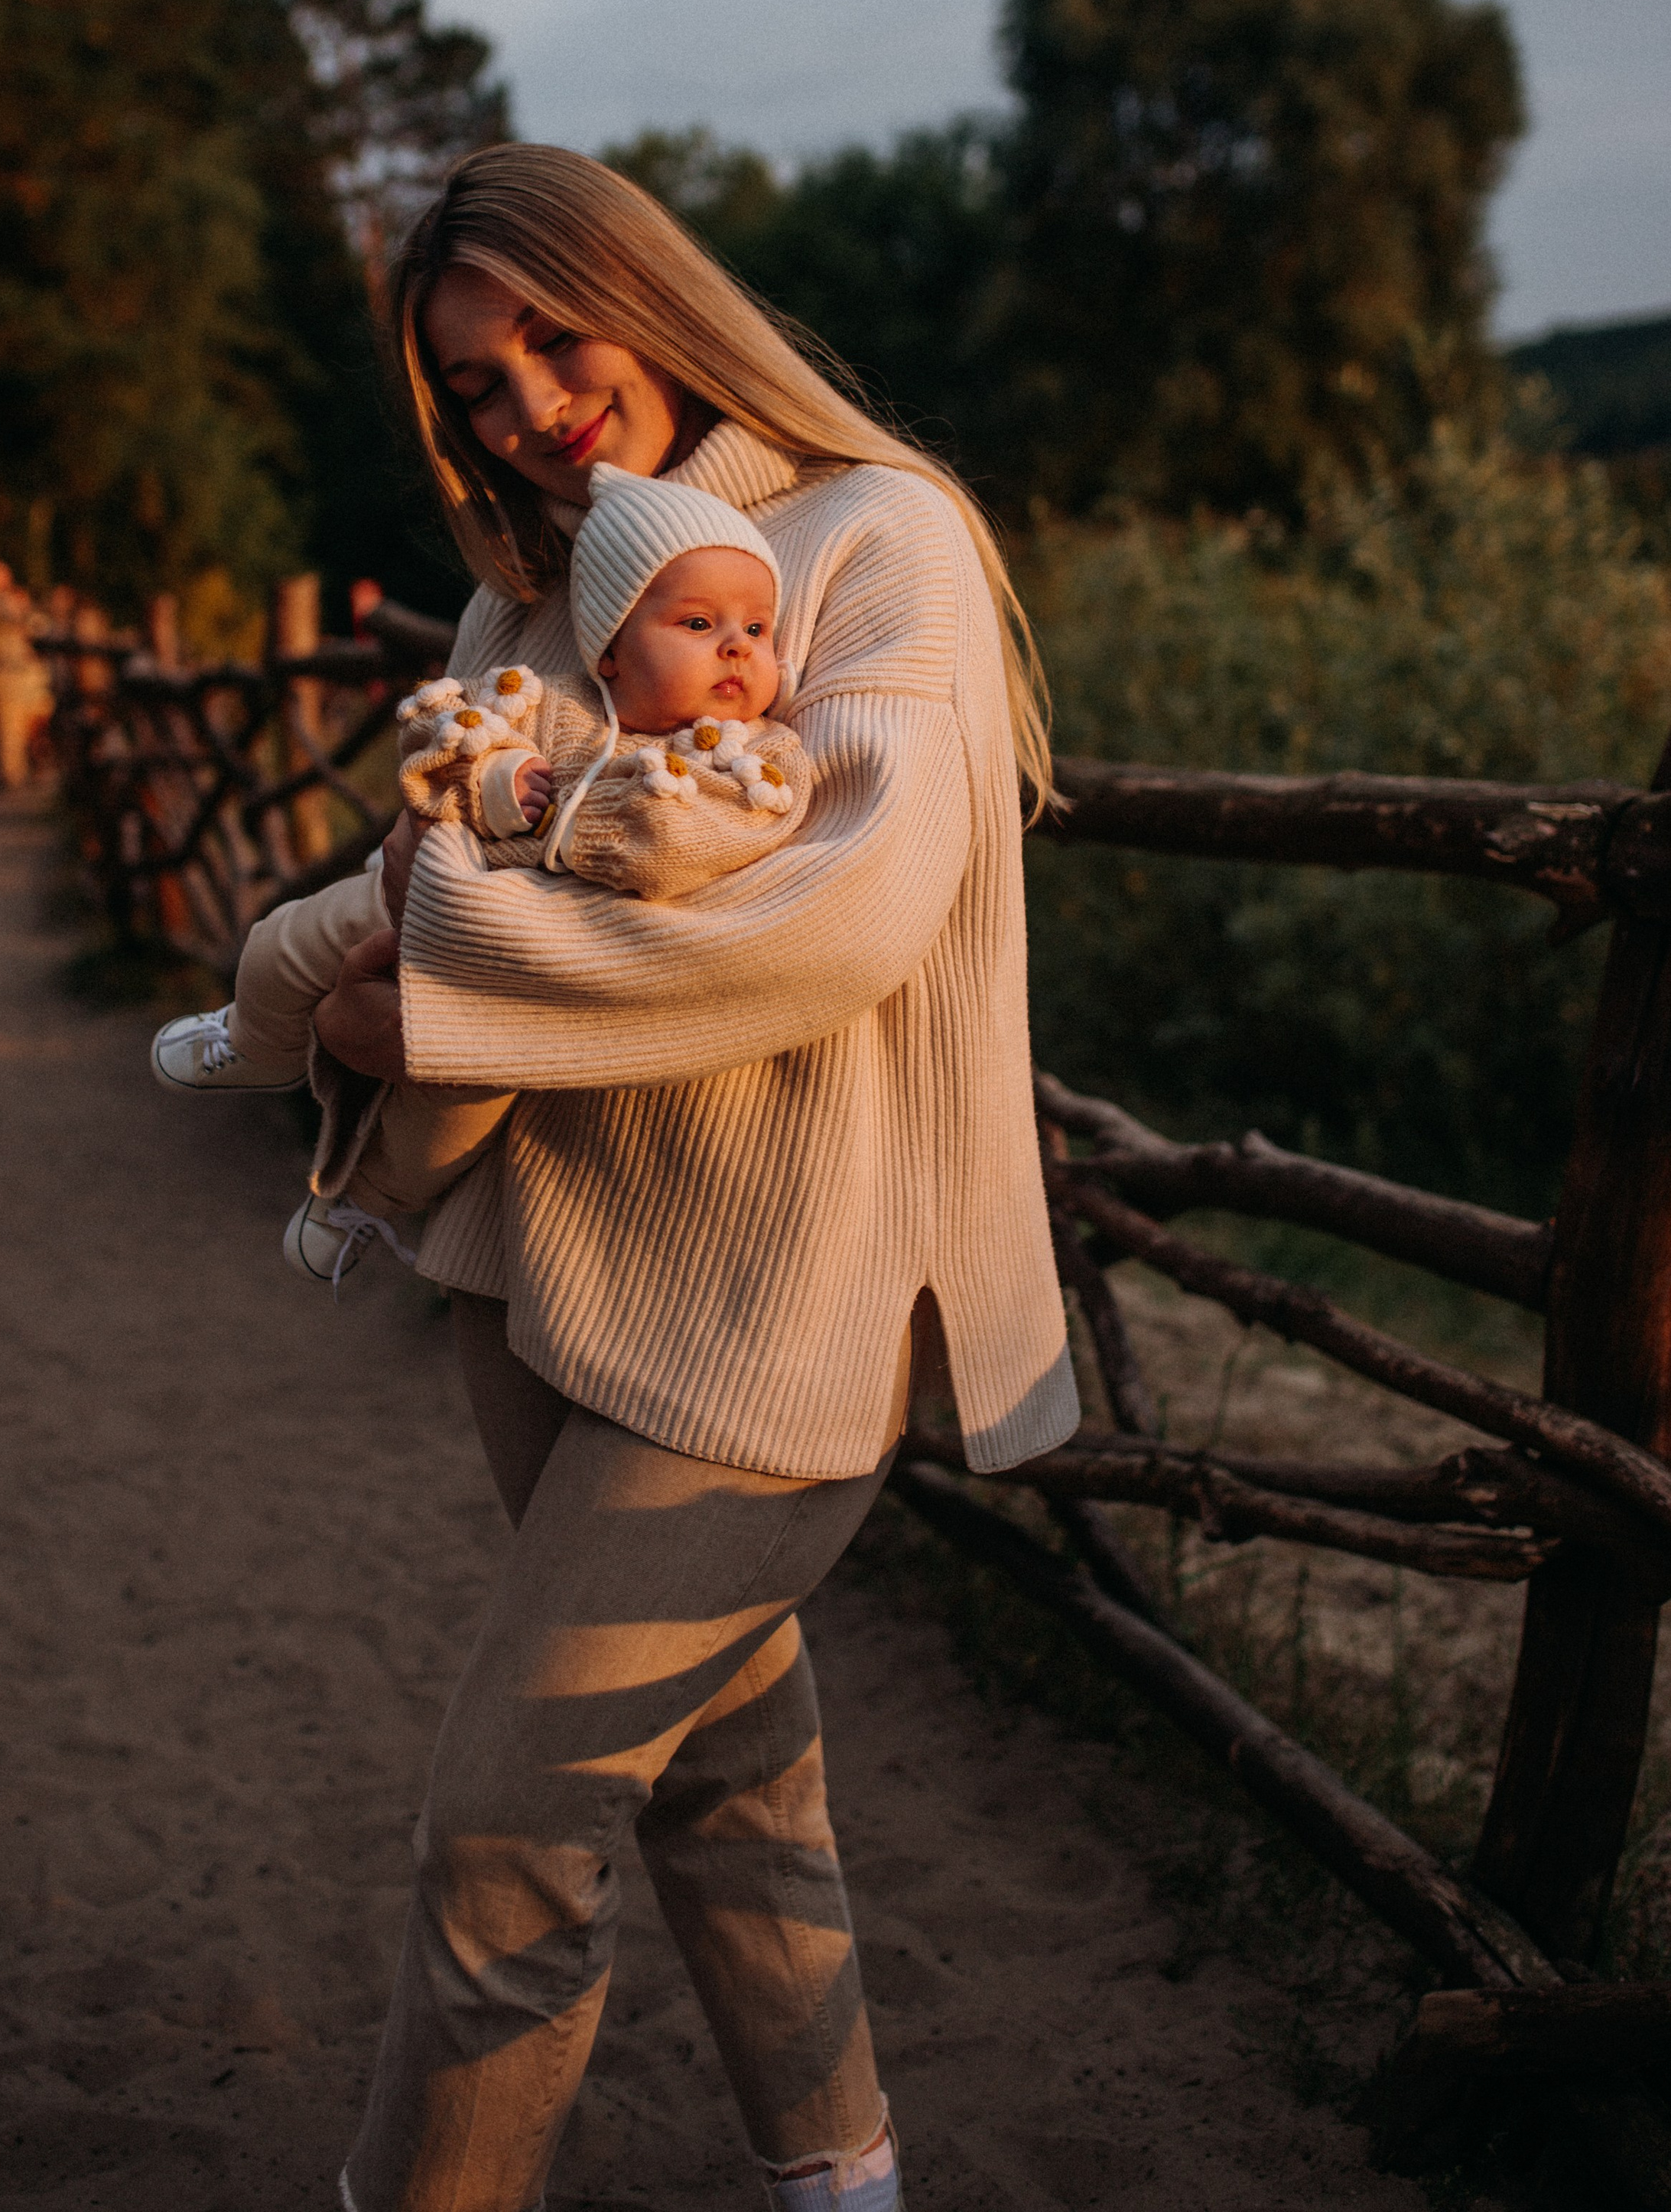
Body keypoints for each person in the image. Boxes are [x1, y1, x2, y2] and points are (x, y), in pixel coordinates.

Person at [279, 146, 1073, 2212]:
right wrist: (322, 981)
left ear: (650, 288)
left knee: (502, 1835)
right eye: (473, 382)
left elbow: (832, 921)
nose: (528, 400)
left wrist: (423, 996)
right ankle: (843, 2182)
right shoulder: (528, 602)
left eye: (554, 332)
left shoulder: (870, 536)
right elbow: (453, 869)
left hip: (783, 1313)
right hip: (554, 1285)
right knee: (732, 1777)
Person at [150, 467, 814, 1280]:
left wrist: (584, 825)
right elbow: (437, 731)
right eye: (701, 623)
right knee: (289, 938)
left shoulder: (759, 760)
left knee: (453, 1110)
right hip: (424, 894)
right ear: (608, 647)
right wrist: (496, 781)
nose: (739, 649)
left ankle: (365, 1203)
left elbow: (690, 844)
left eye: (758, 629)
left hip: (526, 975)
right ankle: (259, 1040)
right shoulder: (546, 703)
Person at [0, 560, 54, 790]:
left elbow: (39, 628)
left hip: (26, 679)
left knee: (34, 731)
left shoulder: (6, 603)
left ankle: (30, 777)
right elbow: (21, 619)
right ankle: (10, 783)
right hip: (3, 678)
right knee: (7, 733)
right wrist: (20, 605)